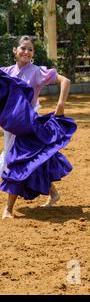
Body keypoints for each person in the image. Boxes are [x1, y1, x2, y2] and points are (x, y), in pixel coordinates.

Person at [0, 36, 76, 219]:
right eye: (23, 48)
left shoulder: (36, 72)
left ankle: (8, 209)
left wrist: (60, 105)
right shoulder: (6, 72)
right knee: (34, 160)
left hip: (29, 124)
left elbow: (65, 81)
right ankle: (53, 192)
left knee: (15, 162)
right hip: (11, 125)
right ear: (14, 50)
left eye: (30, 49)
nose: (26, 52)